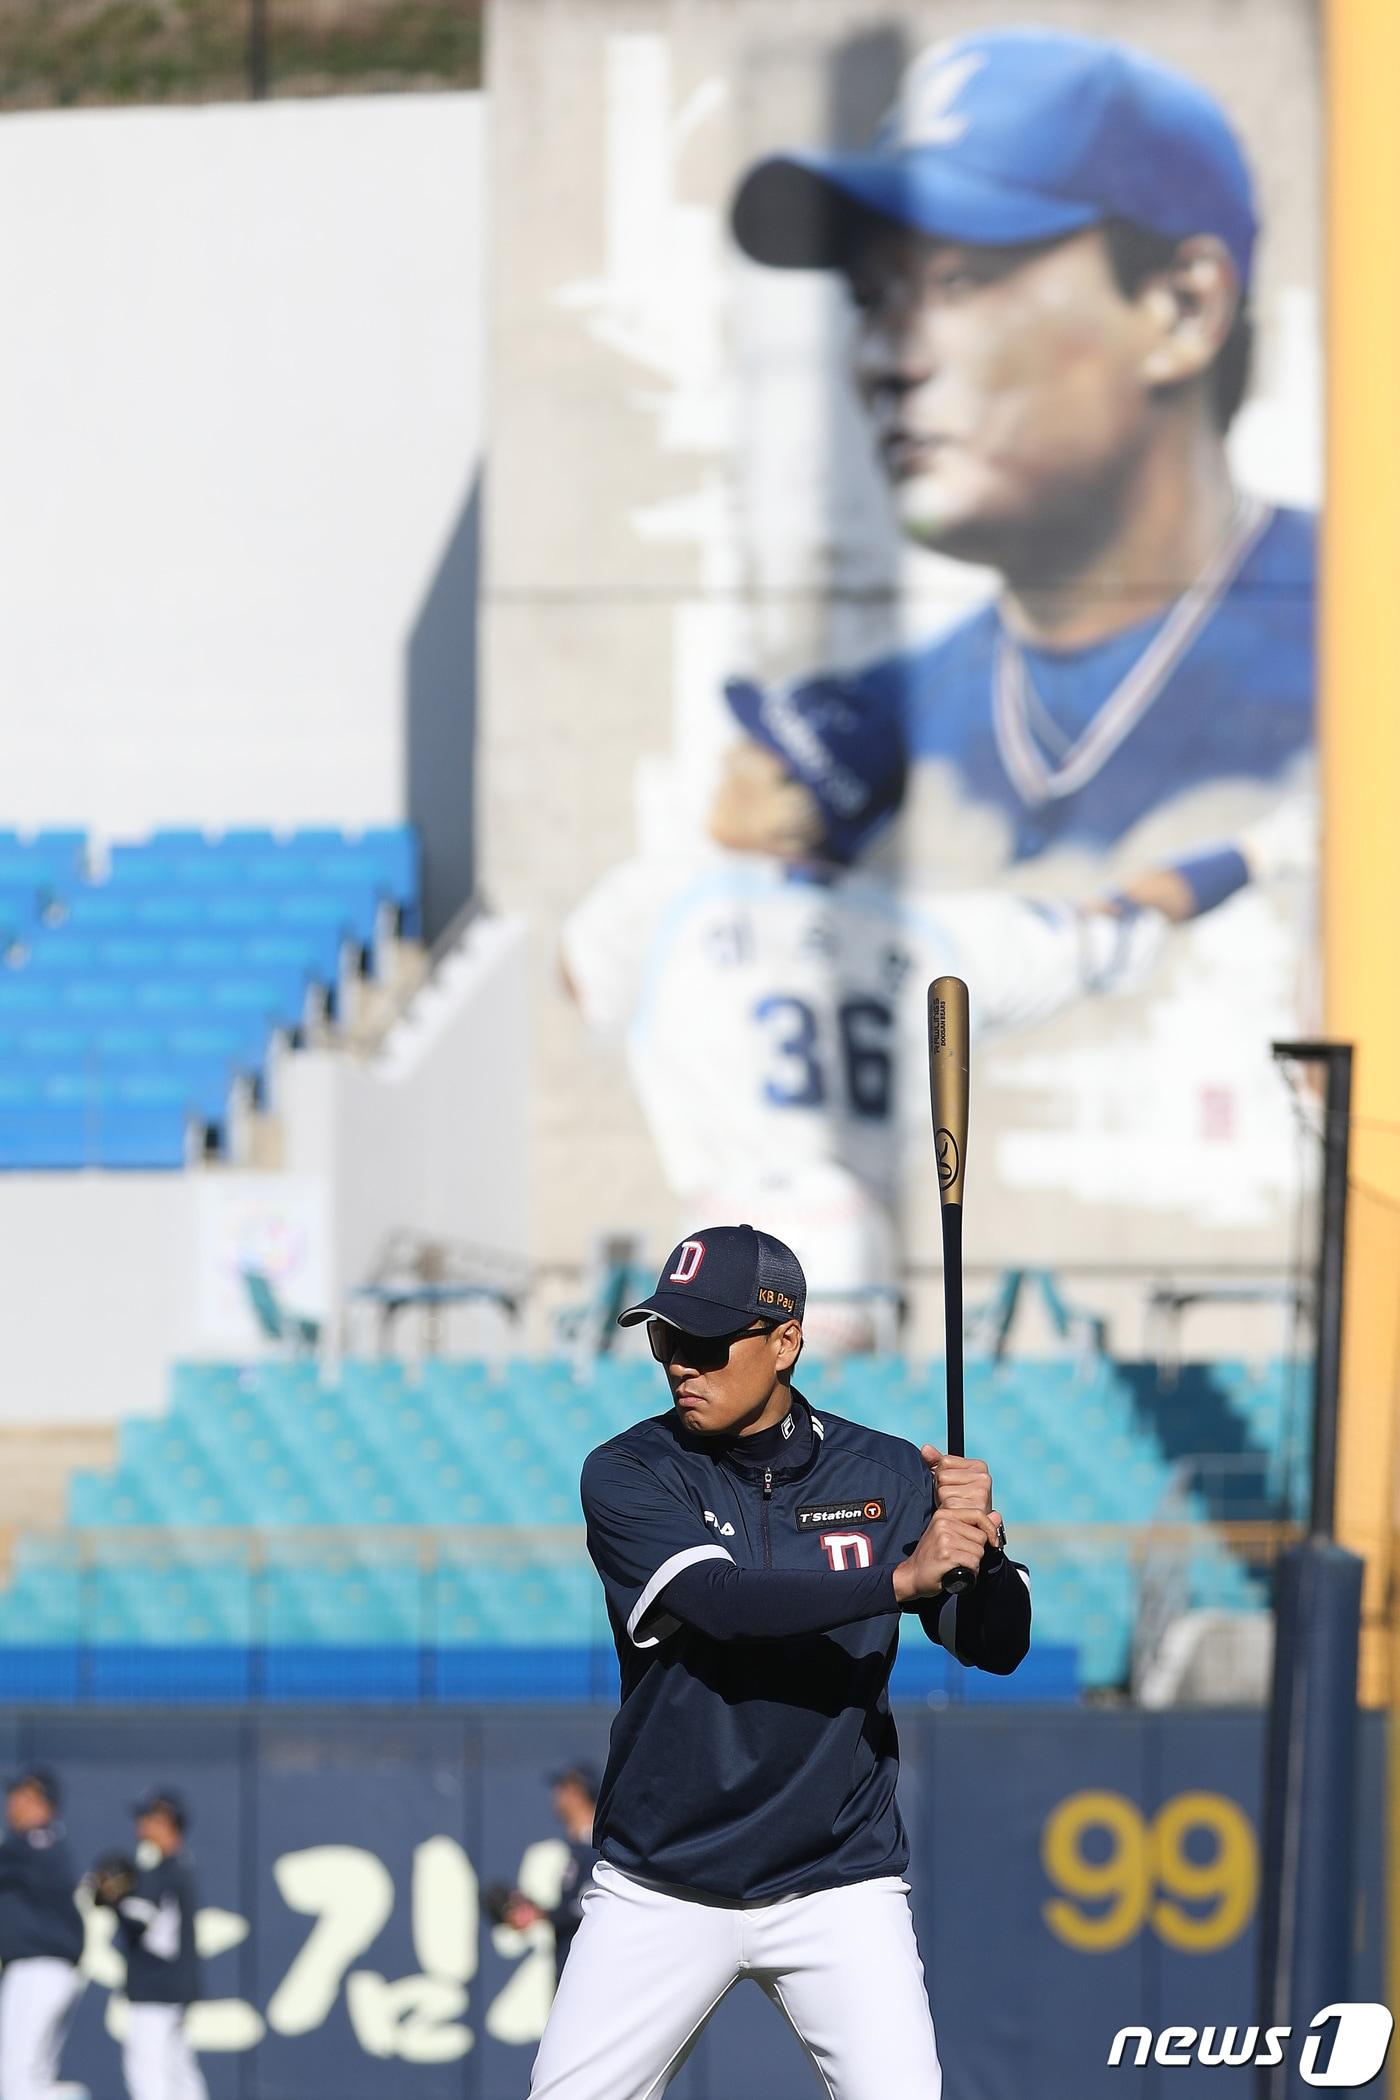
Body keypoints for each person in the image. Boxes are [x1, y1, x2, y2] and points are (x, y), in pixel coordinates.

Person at [563, 672, 1307, 1347]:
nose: (727, 762)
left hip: (724, 1243)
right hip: (858, 1243)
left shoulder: (661, 901)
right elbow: (1120, 917)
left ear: (790, 790)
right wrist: (1265, 848)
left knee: (726, 1486)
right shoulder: (938, 933)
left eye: (751, 749)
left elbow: (577, 982)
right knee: (841, 1478)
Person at [728, 27, 1313, 882]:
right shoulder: (877, 727)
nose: (888, 359)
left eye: (955, 281)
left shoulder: (1361, 640)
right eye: (870, 298)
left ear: (1183, 311)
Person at [527, 1224, 1029, 2098]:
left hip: (835, 1881)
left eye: (706, 1341)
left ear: (786, 1340)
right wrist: (903, 1575)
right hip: (663, 1881)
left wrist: (980, 1549)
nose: (680, 1362)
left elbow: (996, 1645)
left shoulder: (885, 1469)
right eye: (663, 1337)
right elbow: (721, 1605)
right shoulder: (629, 1471)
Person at [111, 1790, 206, 2100]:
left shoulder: (163, 1873)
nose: (140, 1825)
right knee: (179, 2073)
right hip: (173, 1989)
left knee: (148, 2074)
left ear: (165, 1822)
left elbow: (139, 1922)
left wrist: (114, 1899)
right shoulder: (180, 1866)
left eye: (147, 1818)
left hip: (156, 1989)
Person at [0, 1767, 83, 2100]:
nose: (14, 1803)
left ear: (44, 1805)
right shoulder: (28, 1847)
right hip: (42, 1969)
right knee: (31, 2075)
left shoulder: (36, 1841)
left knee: (16, 2073)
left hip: (39, 1968)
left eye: (25, 1796)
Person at [502, 1766, 602, 1985]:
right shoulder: (581, 1848)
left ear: (577, 1792)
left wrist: (538, 1915)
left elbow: (588, 1907)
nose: (556, 1794)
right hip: (576, 1968)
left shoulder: (596, 1847)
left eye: (563, 1787)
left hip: (589, 1973)